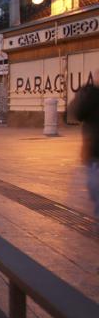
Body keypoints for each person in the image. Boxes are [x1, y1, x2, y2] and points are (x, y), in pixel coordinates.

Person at [70, 82, 99, 217]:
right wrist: (87, 91)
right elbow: (76, 113)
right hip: (94, 153)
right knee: (94, 189)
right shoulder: (91, 94)